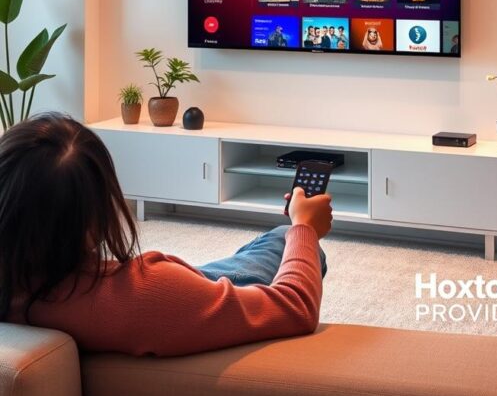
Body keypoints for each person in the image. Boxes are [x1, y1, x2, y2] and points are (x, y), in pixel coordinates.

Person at [0, 114, 331, 357]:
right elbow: (295, 308)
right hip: (186, 298)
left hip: (181, 291)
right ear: (94, 220)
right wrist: (305, 226)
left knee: (268, 243)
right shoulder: (148, 293)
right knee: (288, 237)